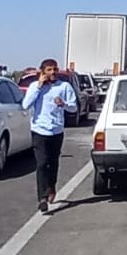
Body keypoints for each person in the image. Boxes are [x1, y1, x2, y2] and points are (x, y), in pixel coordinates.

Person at [22, 58, 78, 214]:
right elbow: (26, 105)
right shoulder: (35, 87)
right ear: (42, 72)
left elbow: (73, 108)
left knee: (52, 163)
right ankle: (42, 198)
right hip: (39, 130)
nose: (52, 73)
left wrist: (64, 104)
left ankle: (51, 186)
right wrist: (39, 85)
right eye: (49, 70)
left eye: (54, 69)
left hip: (56, 131)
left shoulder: (64, 86)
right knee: (41, 164)